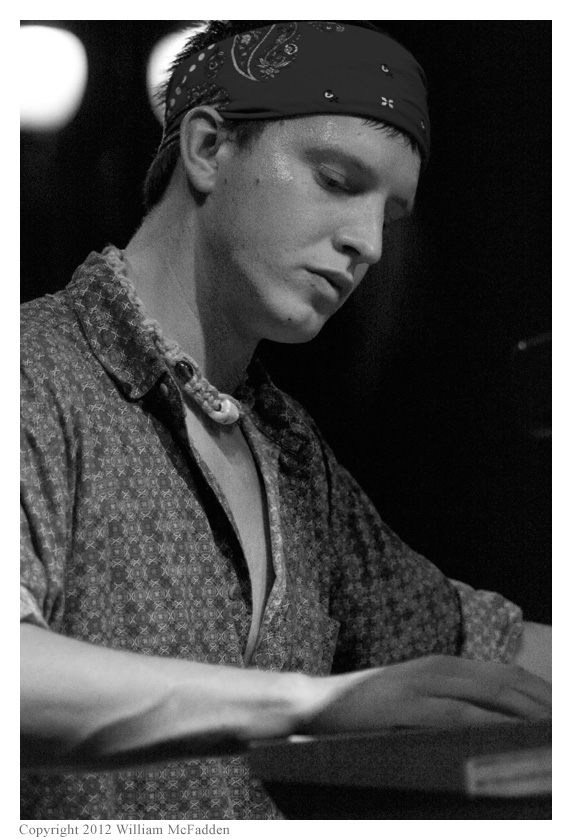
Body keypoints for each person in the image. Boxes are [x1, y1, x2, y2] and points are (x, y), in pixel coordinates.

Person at [20, 20, 551, 821]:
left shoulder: (289, 450)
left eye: (390, 216)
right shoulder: (32, 370)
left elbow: (485, 651)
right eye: (337, 181)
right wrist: (312, 703)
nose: (368, 244)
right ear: (208, 149)